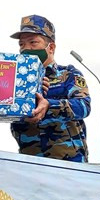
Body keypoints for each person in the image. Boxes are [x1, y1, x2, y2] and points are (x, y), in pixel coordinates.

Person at [9, 15, 91, 162]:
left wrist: (49, 105)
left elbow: (83, 107)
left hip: (70, 165)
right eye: (21, 44)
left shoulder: (68, 75)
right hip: (30, 164)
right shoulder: (16, 81)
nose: (26, 48)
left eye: (33, 42)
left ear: (51, 47)